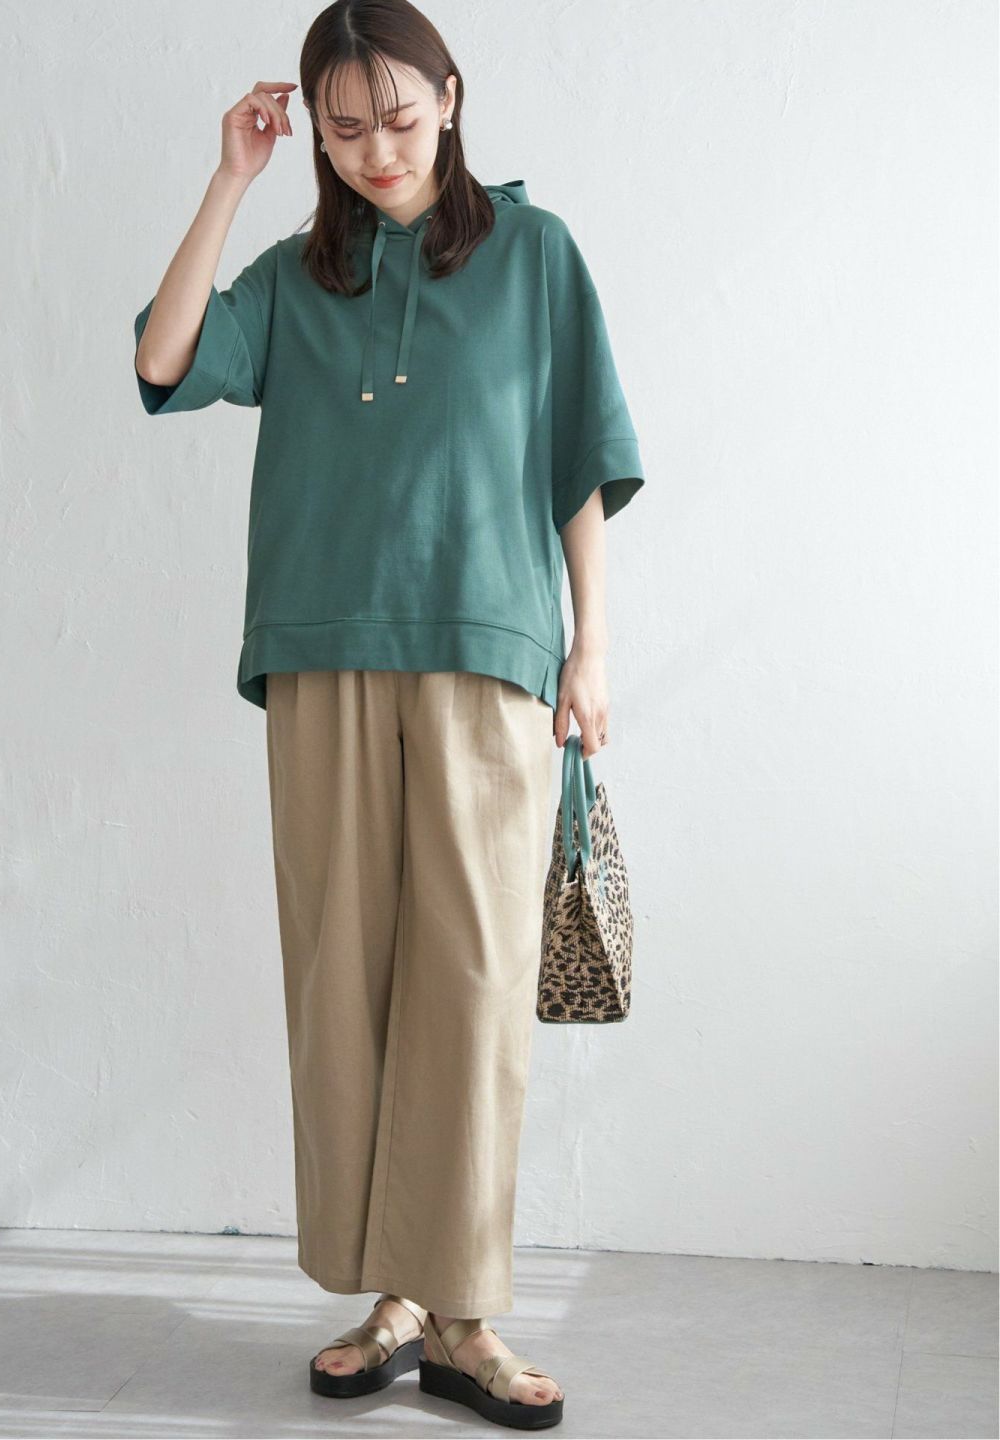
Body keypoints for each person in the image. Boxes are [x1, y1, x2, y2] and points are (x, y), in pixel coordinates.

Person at [132, 1, 645, 1428]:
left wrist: (592, 650)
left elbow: (581, 460)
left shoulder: (537, 256)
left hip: (490, 651)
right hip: (320, 651)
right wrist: (231, 177)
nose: (375, 150)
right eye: (344, 128)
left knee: (470, 983)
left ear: (452, 96)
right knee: (344, 978)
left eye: (401, 118)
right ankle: (396, 1300)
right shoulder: (300, 275)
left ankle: (465, 1313)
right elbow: (165, 361)